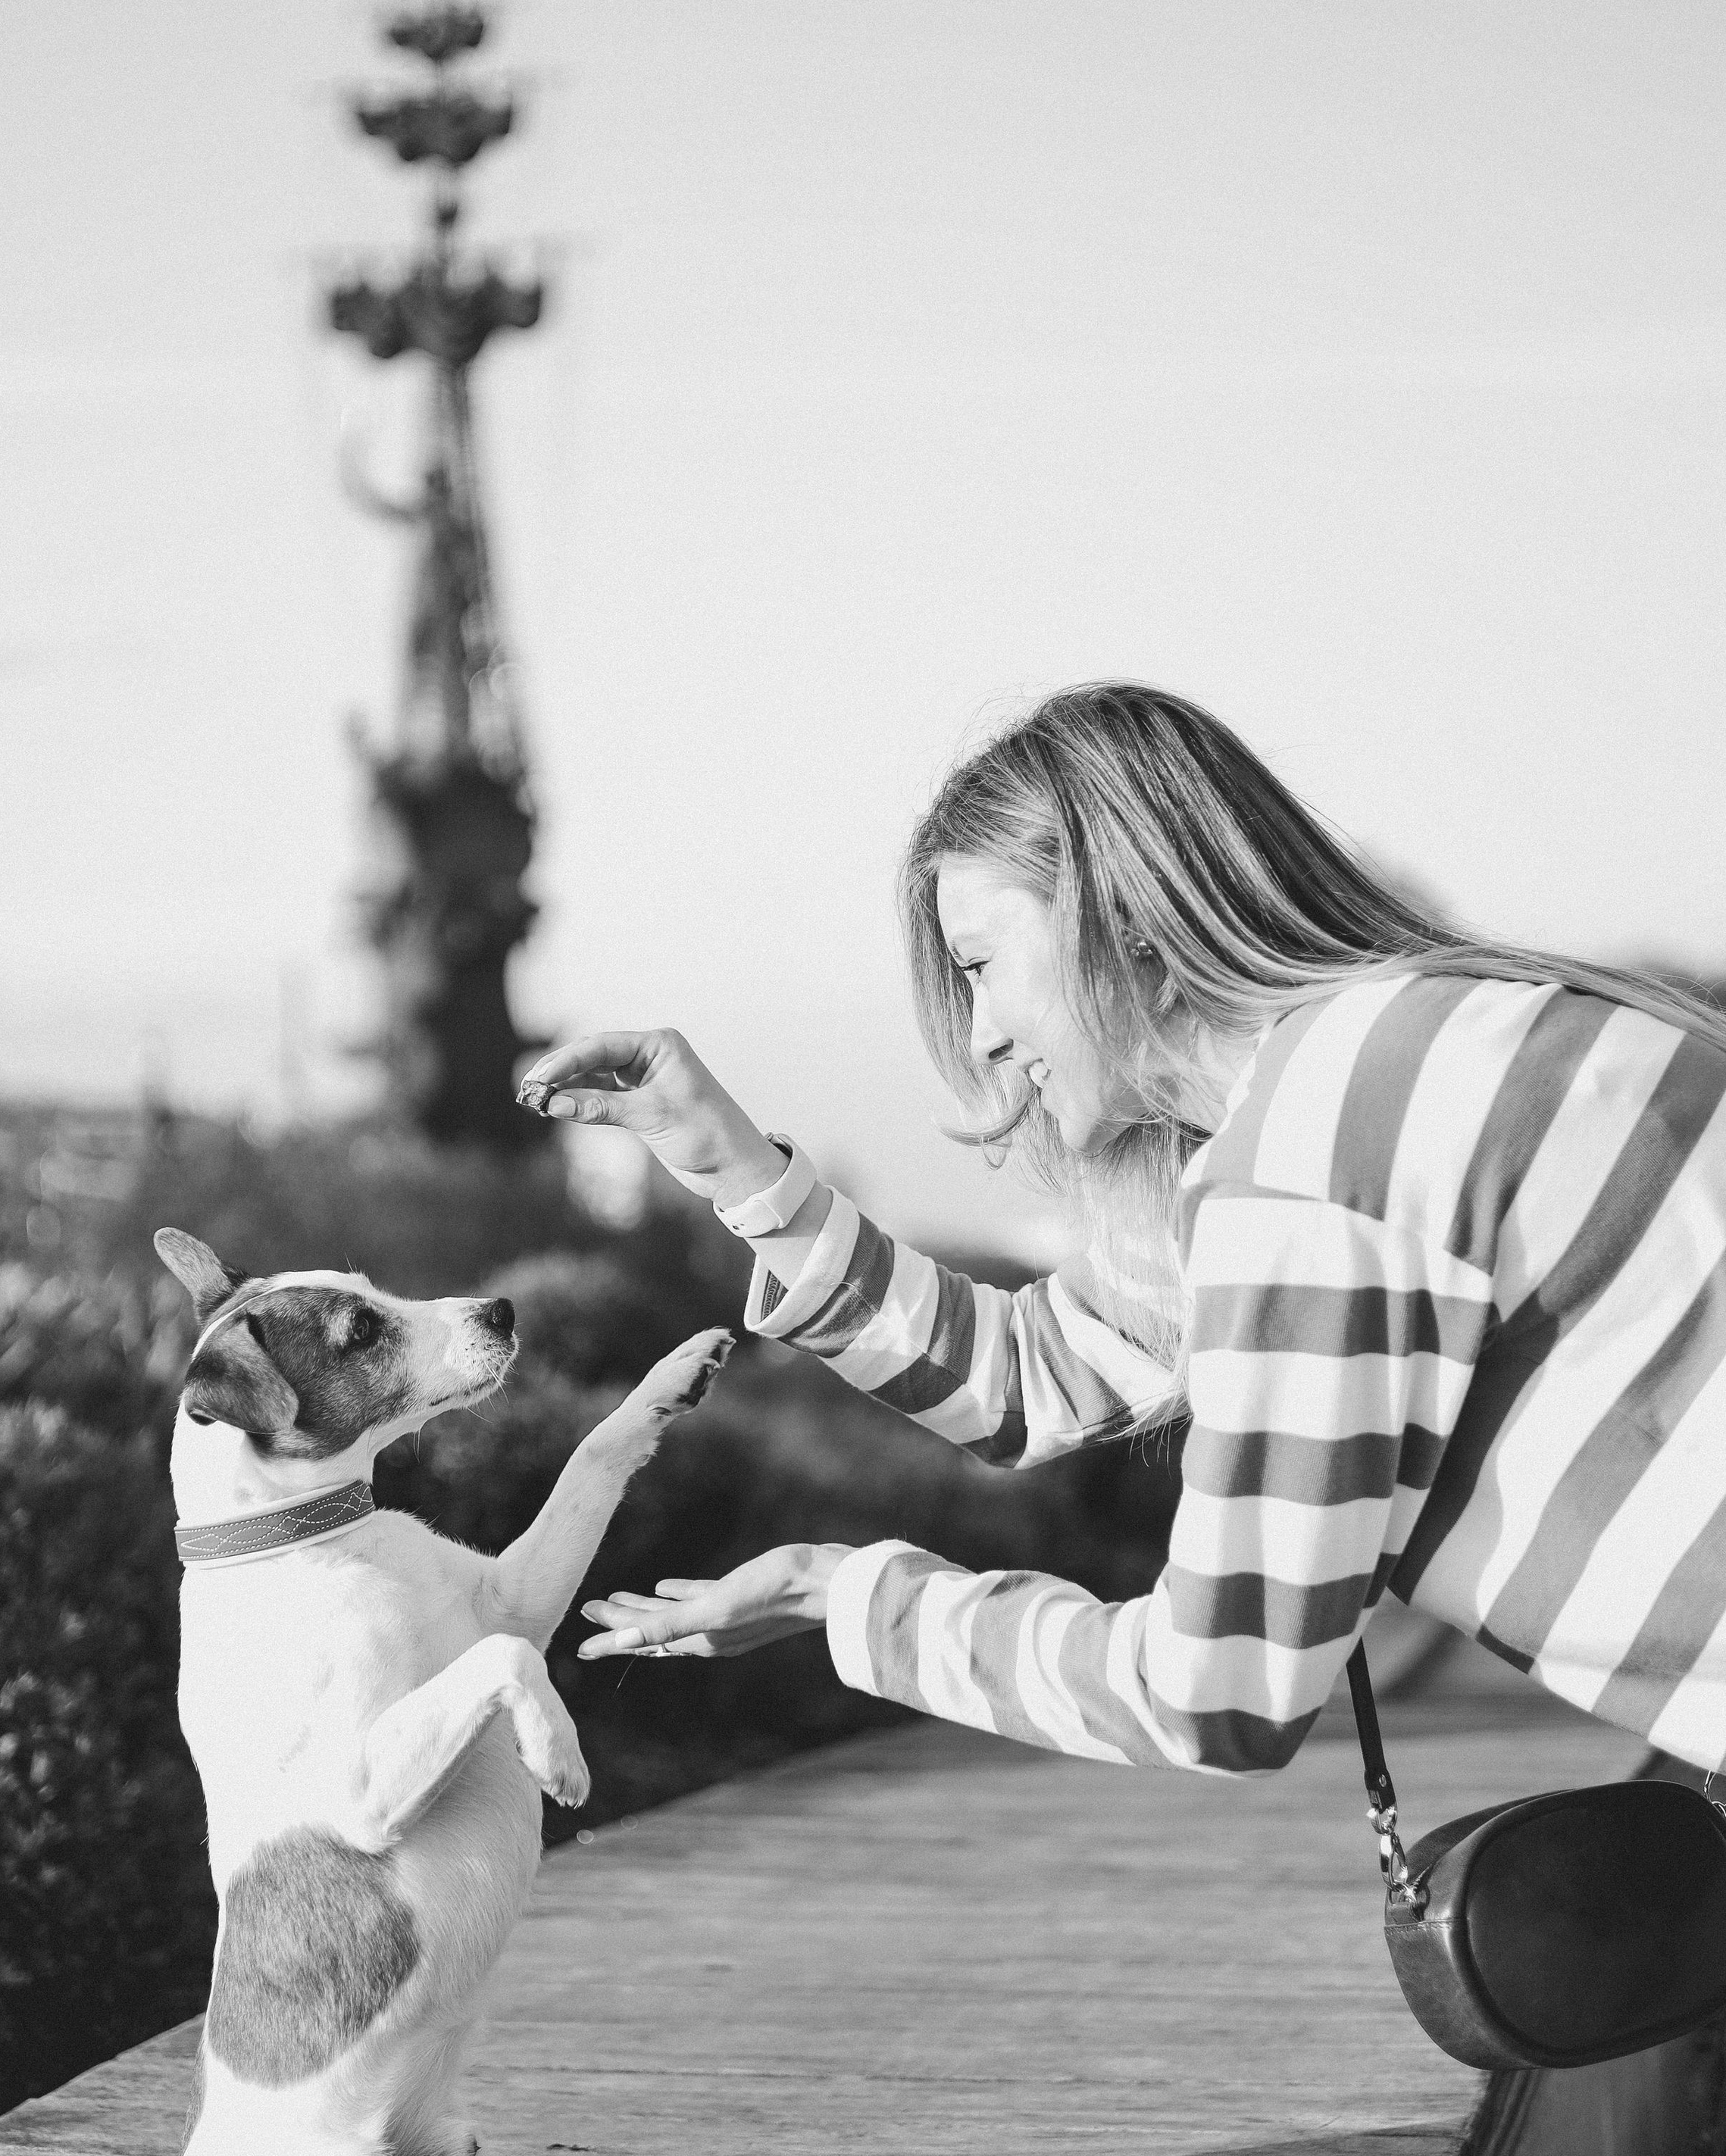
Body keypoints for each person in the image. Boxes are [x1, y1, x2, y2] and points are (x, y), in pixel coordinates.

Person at [521, 683, 1726, 1779]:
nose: (983, 1034)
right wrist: (731, 1161)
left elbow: (1217, 1693)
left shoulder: (1316, 1164)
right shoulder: (1407, 1055)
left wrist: (845, 1594)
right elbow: (1028, 1379)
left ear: (1133, 925)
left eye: (983, 963)